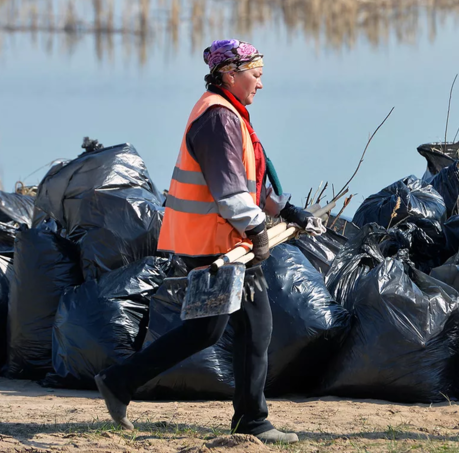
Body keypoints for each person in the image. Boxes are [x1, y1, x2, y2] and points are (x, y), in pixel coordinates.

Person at [93, 39, 325, 445]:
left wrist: (287, 212)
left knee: (217, 330)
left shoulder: (229, 113)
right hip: (219, 244)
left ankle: (121, 382)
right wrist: (257, 231)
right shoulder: (218, 120)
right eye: (256, 75)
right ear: (229, 74)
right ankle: (250, 421)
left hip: (222, 240)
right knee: (243, 329)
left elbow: (252, 182)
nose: (260, 84)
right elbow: (229, 193)